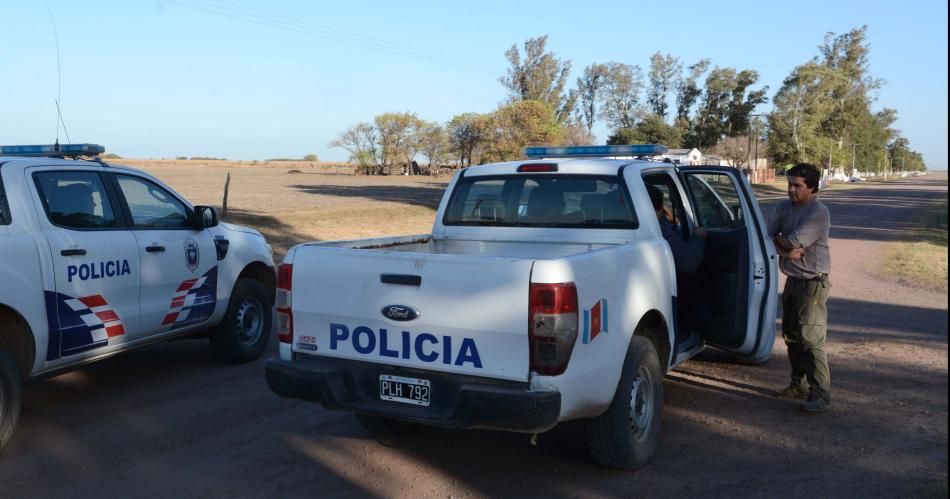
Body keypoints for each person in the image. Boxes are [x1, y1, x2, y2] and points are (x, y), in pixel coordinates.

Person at [768, 163, 832, 413]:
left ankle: (821, 393)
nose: (791, 190)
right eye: (789, 184)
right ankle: (798, 385)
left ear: (812, 188)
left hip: (812, 282)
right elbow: (766, 234)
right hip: (793, 280)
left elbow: (794, 240)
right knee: (792, 336)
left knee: (811, 339)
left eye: (798, 186)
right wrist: (785, 251)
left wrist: (781, 244)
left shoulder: (818, 212)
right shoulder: (785, 207)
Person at [646, 184, 707, 273]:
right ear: (659, 209)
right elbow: (688, 261)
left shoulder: (633, 223)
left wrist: (676, 222)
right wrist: (698, 237)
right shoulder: (659, 233)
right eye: (661, 207)